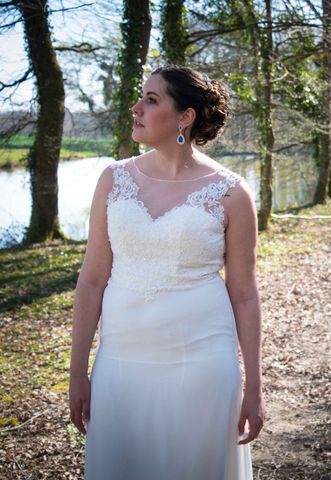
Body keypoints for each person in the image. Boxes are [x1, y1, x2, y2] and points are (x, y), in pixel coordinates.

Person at [69, 66, 264, 480]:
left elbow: (244, 293)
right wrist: (77, 373)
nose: (136, 107)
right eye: (142, 97)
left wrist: (254, 387)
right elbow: (91, 280)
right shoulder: (113, 179)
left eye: (151, 100)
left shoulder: (231, 192)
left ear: (185, 117)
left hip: (202, 363)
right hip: (121, 363)